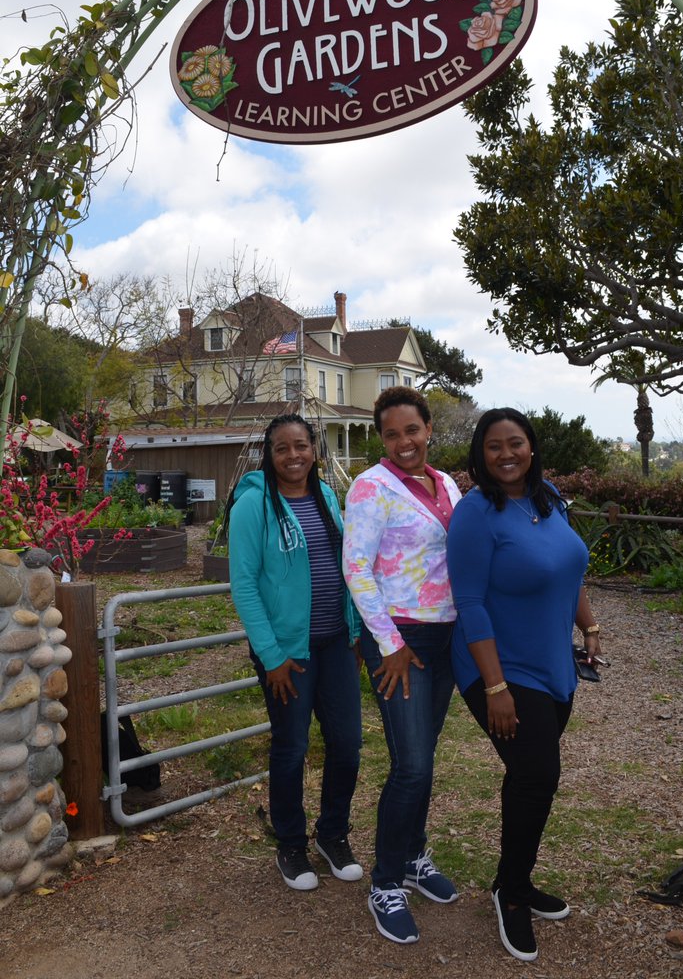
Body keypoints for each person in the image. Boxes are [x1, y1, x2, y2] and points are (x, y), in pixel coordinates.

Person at [446, 408, 602, 963]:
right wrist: (495, 688)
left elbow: (570, 567)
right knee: (539, 773)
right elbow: (468, 603)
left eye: (515, 443)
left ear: (531, 449)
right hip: (499, 669)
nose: (506, 454)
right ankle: (510, 895)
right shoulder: (475, 514)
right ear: (480, 455)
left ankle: (514, 877)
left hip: (554, 665)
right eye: (494, 446)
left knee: (528, 776)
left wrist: (590, 626)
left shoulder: (548, 497)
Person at [342, 386, 462, 945]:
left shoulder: (448, 485)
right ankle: (385, 882)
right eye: (391, 433)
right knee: (410, 765)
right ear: (381, 438)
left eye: (411, 430)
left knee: (424, 756)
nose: (403, 441)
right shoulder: (371, 487)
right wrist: (388, 643)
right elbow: (358, 570)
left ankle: (413, 856)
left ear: (429, 428)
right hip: (399, 640)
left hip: (444, 638)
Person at [229, 413, 363, 892]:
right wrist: (271, 656)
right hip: (287, 654)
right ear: (269, 453)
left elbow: (345, 564)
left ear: (313, 449)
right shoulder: (253, 505)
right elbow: (244, 586)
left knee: (347, 745)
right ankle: (290, 843)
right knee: (292, 748)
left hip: (334, 646)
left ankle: (332, 835)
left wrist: (354, 630)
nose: (293, 456)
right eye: (282, 448)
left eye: (301, 446)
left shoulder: (327, 496)